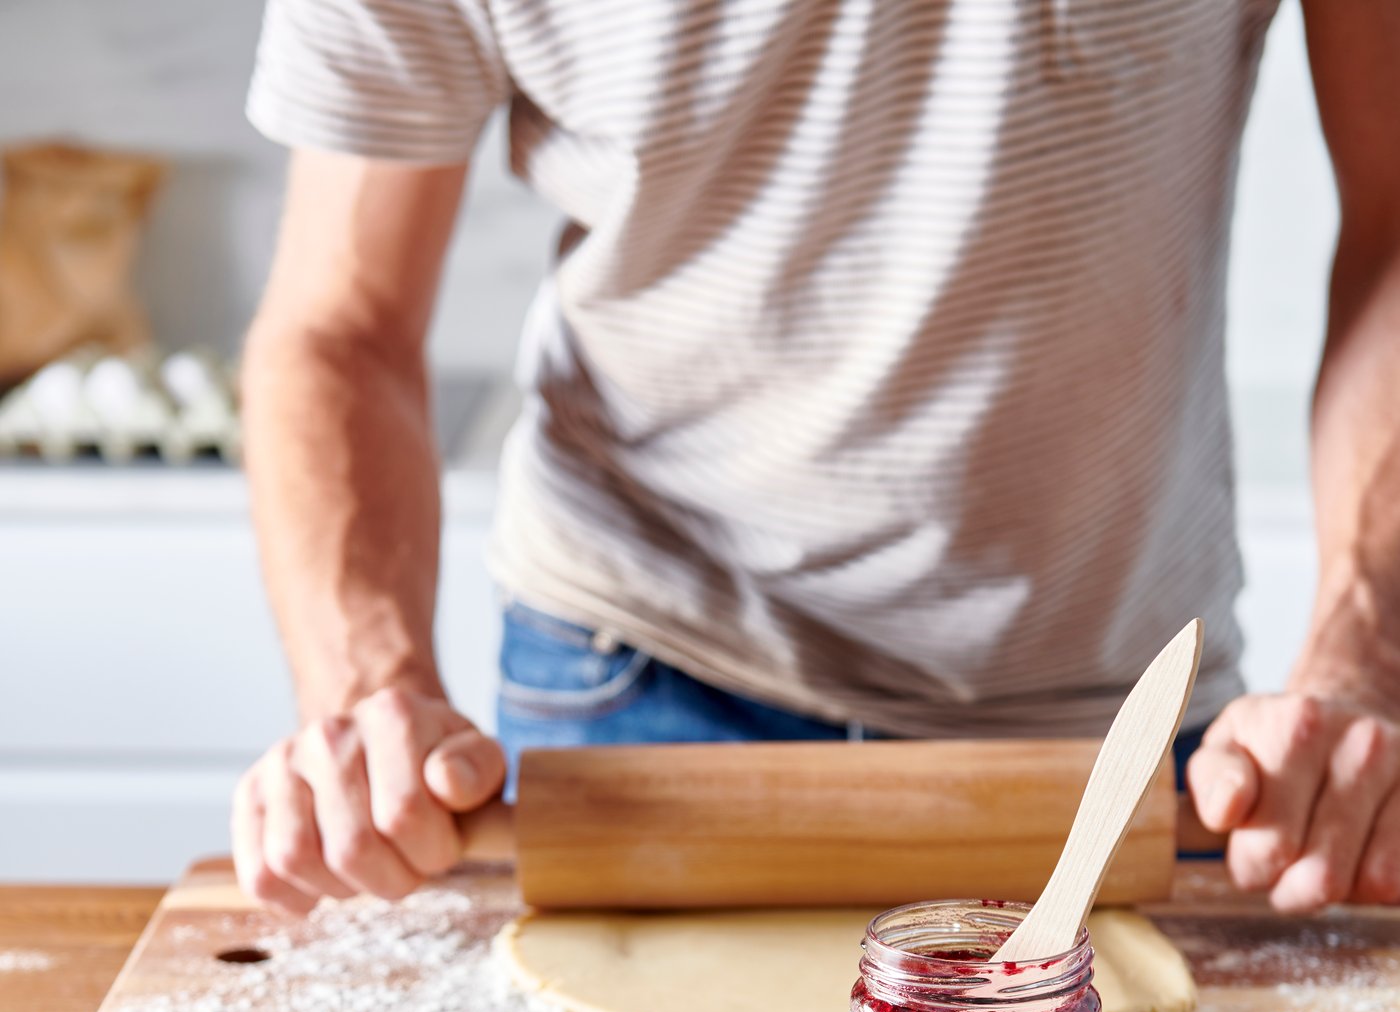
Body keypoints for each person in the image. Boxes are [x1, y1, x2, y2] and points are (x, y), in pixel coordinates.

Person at [232, 0, 1400, 919]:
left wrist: (1359, 654)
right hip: (636, 680)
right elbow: (339, 328)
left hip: (1115, 715)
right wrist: (367, 693)